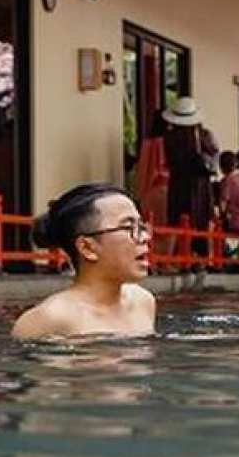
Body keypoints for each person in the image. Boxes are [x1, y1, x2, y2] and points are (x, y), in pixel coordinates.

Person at [12, 183, 156, 339]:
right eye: (128, 228)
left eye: (141, 226)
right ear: (87, 247)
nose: (145, 238)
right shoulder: (48, 320)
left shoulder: (143, 302)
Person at [162, 96, 219, 249]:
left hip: (178, 182)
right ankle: (202, 258)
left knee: (176, 219)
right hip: (200, 183)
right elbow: (214, 155)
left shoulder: (170, 137)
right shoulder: (204, 135)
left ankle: (170, 258)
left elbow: (170, 161)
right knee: (202, 220)